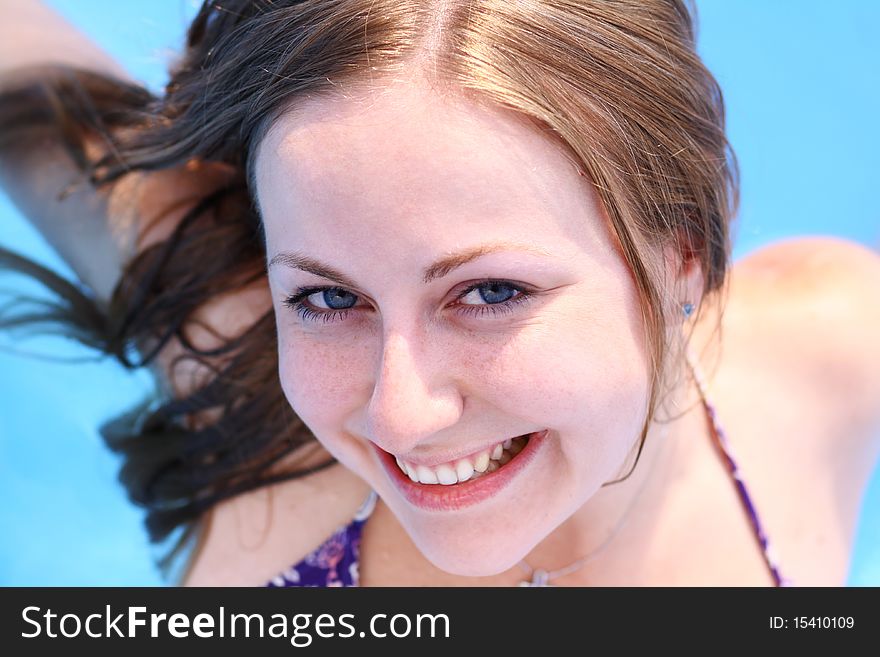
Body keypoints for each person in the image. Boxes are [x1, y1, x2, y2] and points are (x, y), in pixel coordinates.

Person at [1, 0, 878, 587]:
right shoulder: (228, 344)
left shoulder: (832, 349)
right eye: (326, 298)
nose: (401, 415)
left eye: (490, 290)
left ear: (685, 254)